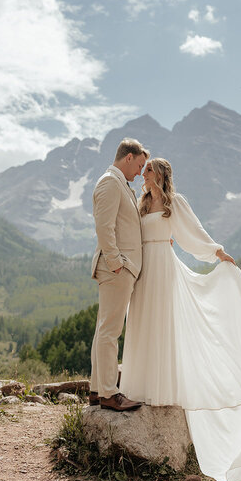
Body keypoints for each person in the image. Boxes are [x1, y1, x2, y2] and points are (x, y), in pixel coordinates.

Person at [119, 158, 241, 481]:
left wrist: (217, 253)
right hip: (144, 271)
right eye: (142, 168)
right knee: (143, 326)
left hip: (164, 269)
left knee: (164, 328)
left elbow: (193, 233)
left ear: (160, 174)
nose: (142, 173)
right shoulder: (141, 202)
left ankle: (163, 390)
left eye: (148, 170)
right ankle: (140, 388)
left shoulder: (174, 202)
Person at [88, 138, 149, 412]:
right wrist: (116, 263)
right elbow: (104, 227)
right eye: (138, 165)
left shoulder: (121, 184)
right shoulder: (110, 182)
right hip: (116, 268)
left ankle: (96, 390)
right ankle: (110, 394)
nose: (139, 172)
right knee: (110, 332)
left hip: (120, 268)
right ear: (128, 157)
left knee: (105, 328)